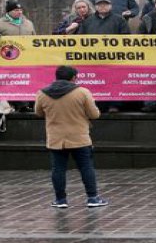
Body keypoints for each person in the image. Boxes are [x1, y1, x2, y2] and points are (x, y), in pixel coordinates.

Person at [34, 66, 108, 208]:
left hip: (56, 138)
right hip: (79, 137)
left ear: (56, 76)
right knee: (86, 167)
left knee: (58, 169)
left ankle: (60, 200)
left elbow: (38, 112)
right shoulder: (82, 92)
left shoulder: (42, 93)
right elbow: (94, 114)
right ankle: (92, 198)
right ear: (74, 77)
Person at [78, 0, 130, 113]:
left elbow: (126, 38)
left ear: (110, 6)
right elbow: (80, 39)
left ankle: (115, 104)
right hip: (92, 59)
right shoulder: (88, 21)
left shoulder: (119, 20)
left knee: (114, 82)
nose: (102, 6)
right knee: (95, 82)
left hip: (114, 59)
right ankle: (95, 105)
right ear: (95, 7)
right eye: (100, 4)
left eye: (105, 4)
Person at [0, 0, 36, 112]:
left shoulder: (28, 23)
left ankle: (28, 103)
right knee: (12, 82)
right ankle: (18, 104)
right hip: (7, 60)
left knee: (25, 81)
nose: (19, 12)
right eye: (16, 10)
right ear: (9, 12)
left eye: (20, 10)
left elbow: (35, 40)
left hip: (26, 60)